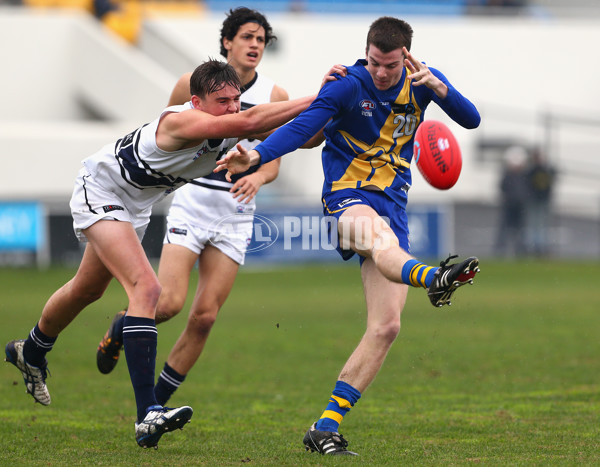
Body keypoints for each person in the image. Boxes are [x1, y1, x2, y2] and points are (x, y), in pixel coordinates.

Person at [4, 58, 319, 449]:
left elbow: (308, 138)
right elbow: (249, 124)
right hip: (101, 190)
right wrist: (321, 95)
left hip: (134, 207)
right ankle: (147, 414)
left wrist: (338, 109)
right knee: (148, 290)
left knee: (88, 290)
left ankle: (29, 350)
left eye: (237, 99)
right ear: (196, 102)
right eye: (222, 101)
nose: (232, 107)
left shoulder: (230, 115)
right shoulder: (181, 120)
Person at [216, 16, 481, 456]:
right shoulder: (347, 85)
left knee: (387, 326)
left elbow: (469, 120)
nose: (381, 72)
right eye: (376, 62)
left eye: (390, 65)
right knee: (379, 241)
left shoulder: (421, 81)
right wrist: (258, 154)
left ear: (406, 57)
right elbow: (303, 129)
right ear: (367, 52)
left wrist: (439, 88)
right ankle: (434, 280)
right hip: (346, 198)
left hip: (393, 203)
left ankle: (325, 427)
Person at [94, 8, 290, 408]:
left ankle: (157, 407)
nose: (255, 45)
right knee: (167, 303)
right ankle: (123, 324)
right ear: (227, 42)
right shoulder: (190, 83)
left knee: (205, 318)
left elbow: (275, 158)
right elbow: (165, 133)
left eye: (261, 39)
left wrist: (258, 177)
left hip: (236, 209)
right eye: (248, 37)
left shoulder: (275, 96)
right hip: (193, 200)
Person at [495, 145, 529, 257]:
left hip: (520, 205)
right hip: (509, 204)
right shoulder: (509, 175)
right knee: (505, 228)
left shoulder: (523, 175)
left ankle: (520, 250)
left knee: (520, 229)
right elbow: (503, 187)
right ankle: (500, 249)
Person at [525, 146, 555, 256]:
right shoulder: (531, 170)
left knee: (541, 224)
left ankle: (540, 247)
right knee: (533, 224)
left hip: (543, 200)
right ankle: (533, 247)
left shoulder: (546, 169)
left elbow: (552, 178)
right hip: (533, 201)